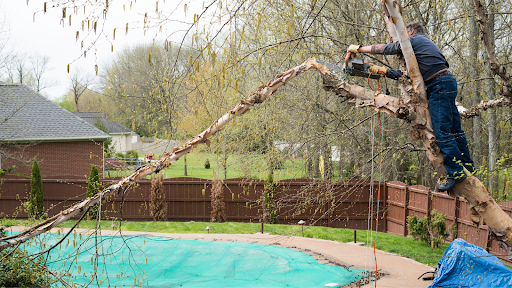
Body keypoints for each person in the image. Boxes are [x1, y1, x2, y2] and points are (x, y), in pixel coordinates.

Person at [347, 22, 474, 192]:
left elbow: (388, 48)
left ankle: (457, 172)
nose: (403, 39)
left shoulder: (415, 40)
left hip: (439, 86)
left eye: (405, 35)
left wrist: (360, 49)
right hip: (446, 82)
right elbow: (408, 76)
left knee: (442, 131)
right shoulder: (425, 48)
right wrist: (378, 69)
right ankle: (467, 165)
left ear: (411, 32)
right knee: (455, 130)